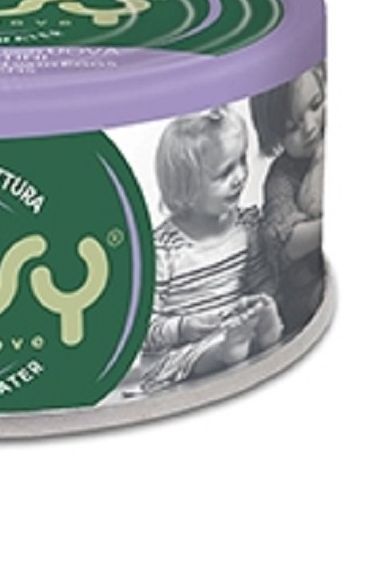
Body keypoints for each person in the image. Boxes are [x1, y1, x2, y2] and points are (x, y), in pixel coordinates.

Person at [124, 107, 283, 396]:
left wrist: (261, 302)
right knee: (207, 351)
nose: (240, 176)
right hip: (179, 352)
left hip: (235, 330)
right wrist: (185, 327)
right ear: (187, 189)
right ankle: (228, 351)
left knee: (253, 322)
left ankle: (259, 332)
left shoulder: (246, 227)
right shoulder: (163, 252)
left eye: (241, 160)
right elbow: (142, 331)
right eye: (224, 173)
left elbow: (261, 280)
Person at [250, 65, 326, 334]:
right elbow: (285, 242)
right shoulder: (282, 176)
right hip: (307, 291)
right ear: (276, 138)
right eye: (292, 127)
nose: (310, 127)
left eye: (316, 105)